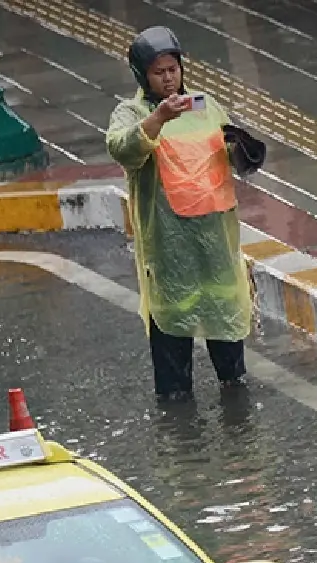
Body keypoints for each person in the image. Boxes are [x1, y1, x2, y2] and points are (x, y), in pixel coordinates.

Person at [106, 26, 253, 398]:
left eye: (173, 69)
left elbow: (229, 154)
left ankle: (234, 387)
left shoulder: (204, 107)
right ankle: (176, 403)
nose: (168, 78)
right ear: (143, 75)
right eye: (159, 72)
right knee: (171, 327)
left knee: (226, 329)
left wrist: (240, 148)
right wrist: (157, 119)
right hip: (169, 249)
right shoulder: (131, 113)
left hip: (215, 244)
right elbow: (122, 148)